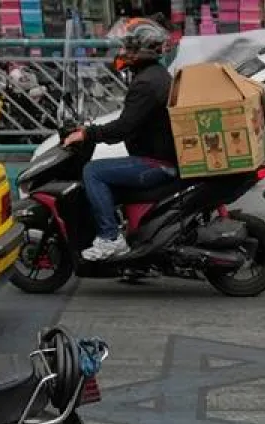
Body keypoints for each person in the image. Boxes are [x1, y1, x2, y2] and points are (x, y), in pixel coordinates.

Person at [62, 18, 176, 262]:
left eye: (126, 48)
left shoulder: (146, 83)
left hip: (156, 163)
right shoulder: (154, 75)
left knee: (93, 171)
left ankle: (110, 239)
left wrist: (87, 134)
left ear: (140, 51)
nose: (121, 52)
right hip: (157, 157)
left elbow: (124, 126)